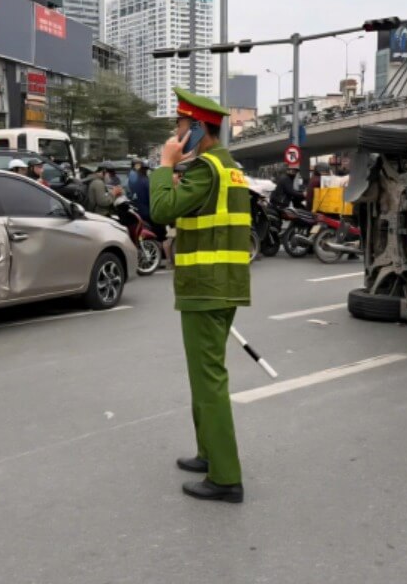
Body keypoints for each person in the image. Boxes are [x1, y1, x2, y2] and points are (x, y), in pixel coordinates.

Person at [149, 88, 250, 504]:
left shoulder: (205, 170)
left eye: (180, 127)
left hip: (205, 288)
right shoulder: (229, 169)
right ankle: (208, 454)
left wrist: (164, 165)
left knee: (209, 381)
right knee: (203, 376)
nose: (176, 133)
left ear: (198, 130)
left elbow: (160, 210)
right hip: (220, 285)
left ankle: (226, 478)